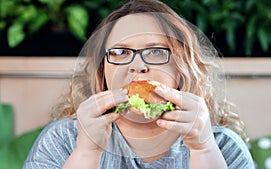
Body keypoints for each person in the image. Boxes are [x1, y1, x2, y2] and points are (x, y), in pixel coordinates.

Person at [23, 0, 254, 168]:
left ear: (182, 69)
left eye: (155, 51)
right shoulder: (62, 141)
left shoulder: (223, 147)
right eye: (121, 52)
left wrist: (204, 150)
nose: (138, 66)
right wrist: (86, 152)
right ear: (103, 71)